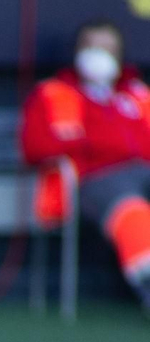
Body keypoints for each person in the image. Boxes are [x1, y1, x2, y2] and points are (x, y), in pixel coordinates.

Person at [21, 19, 150, 308]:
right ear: (77, 52)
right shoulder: (54, 94)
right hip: (92, 178)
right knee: (131, 208)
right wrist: (91, 142)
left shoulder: (138, 95)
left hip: (143, 171)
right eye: (92, 47)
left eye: (107, 48)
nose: (99, 55)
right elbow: (34, 148)